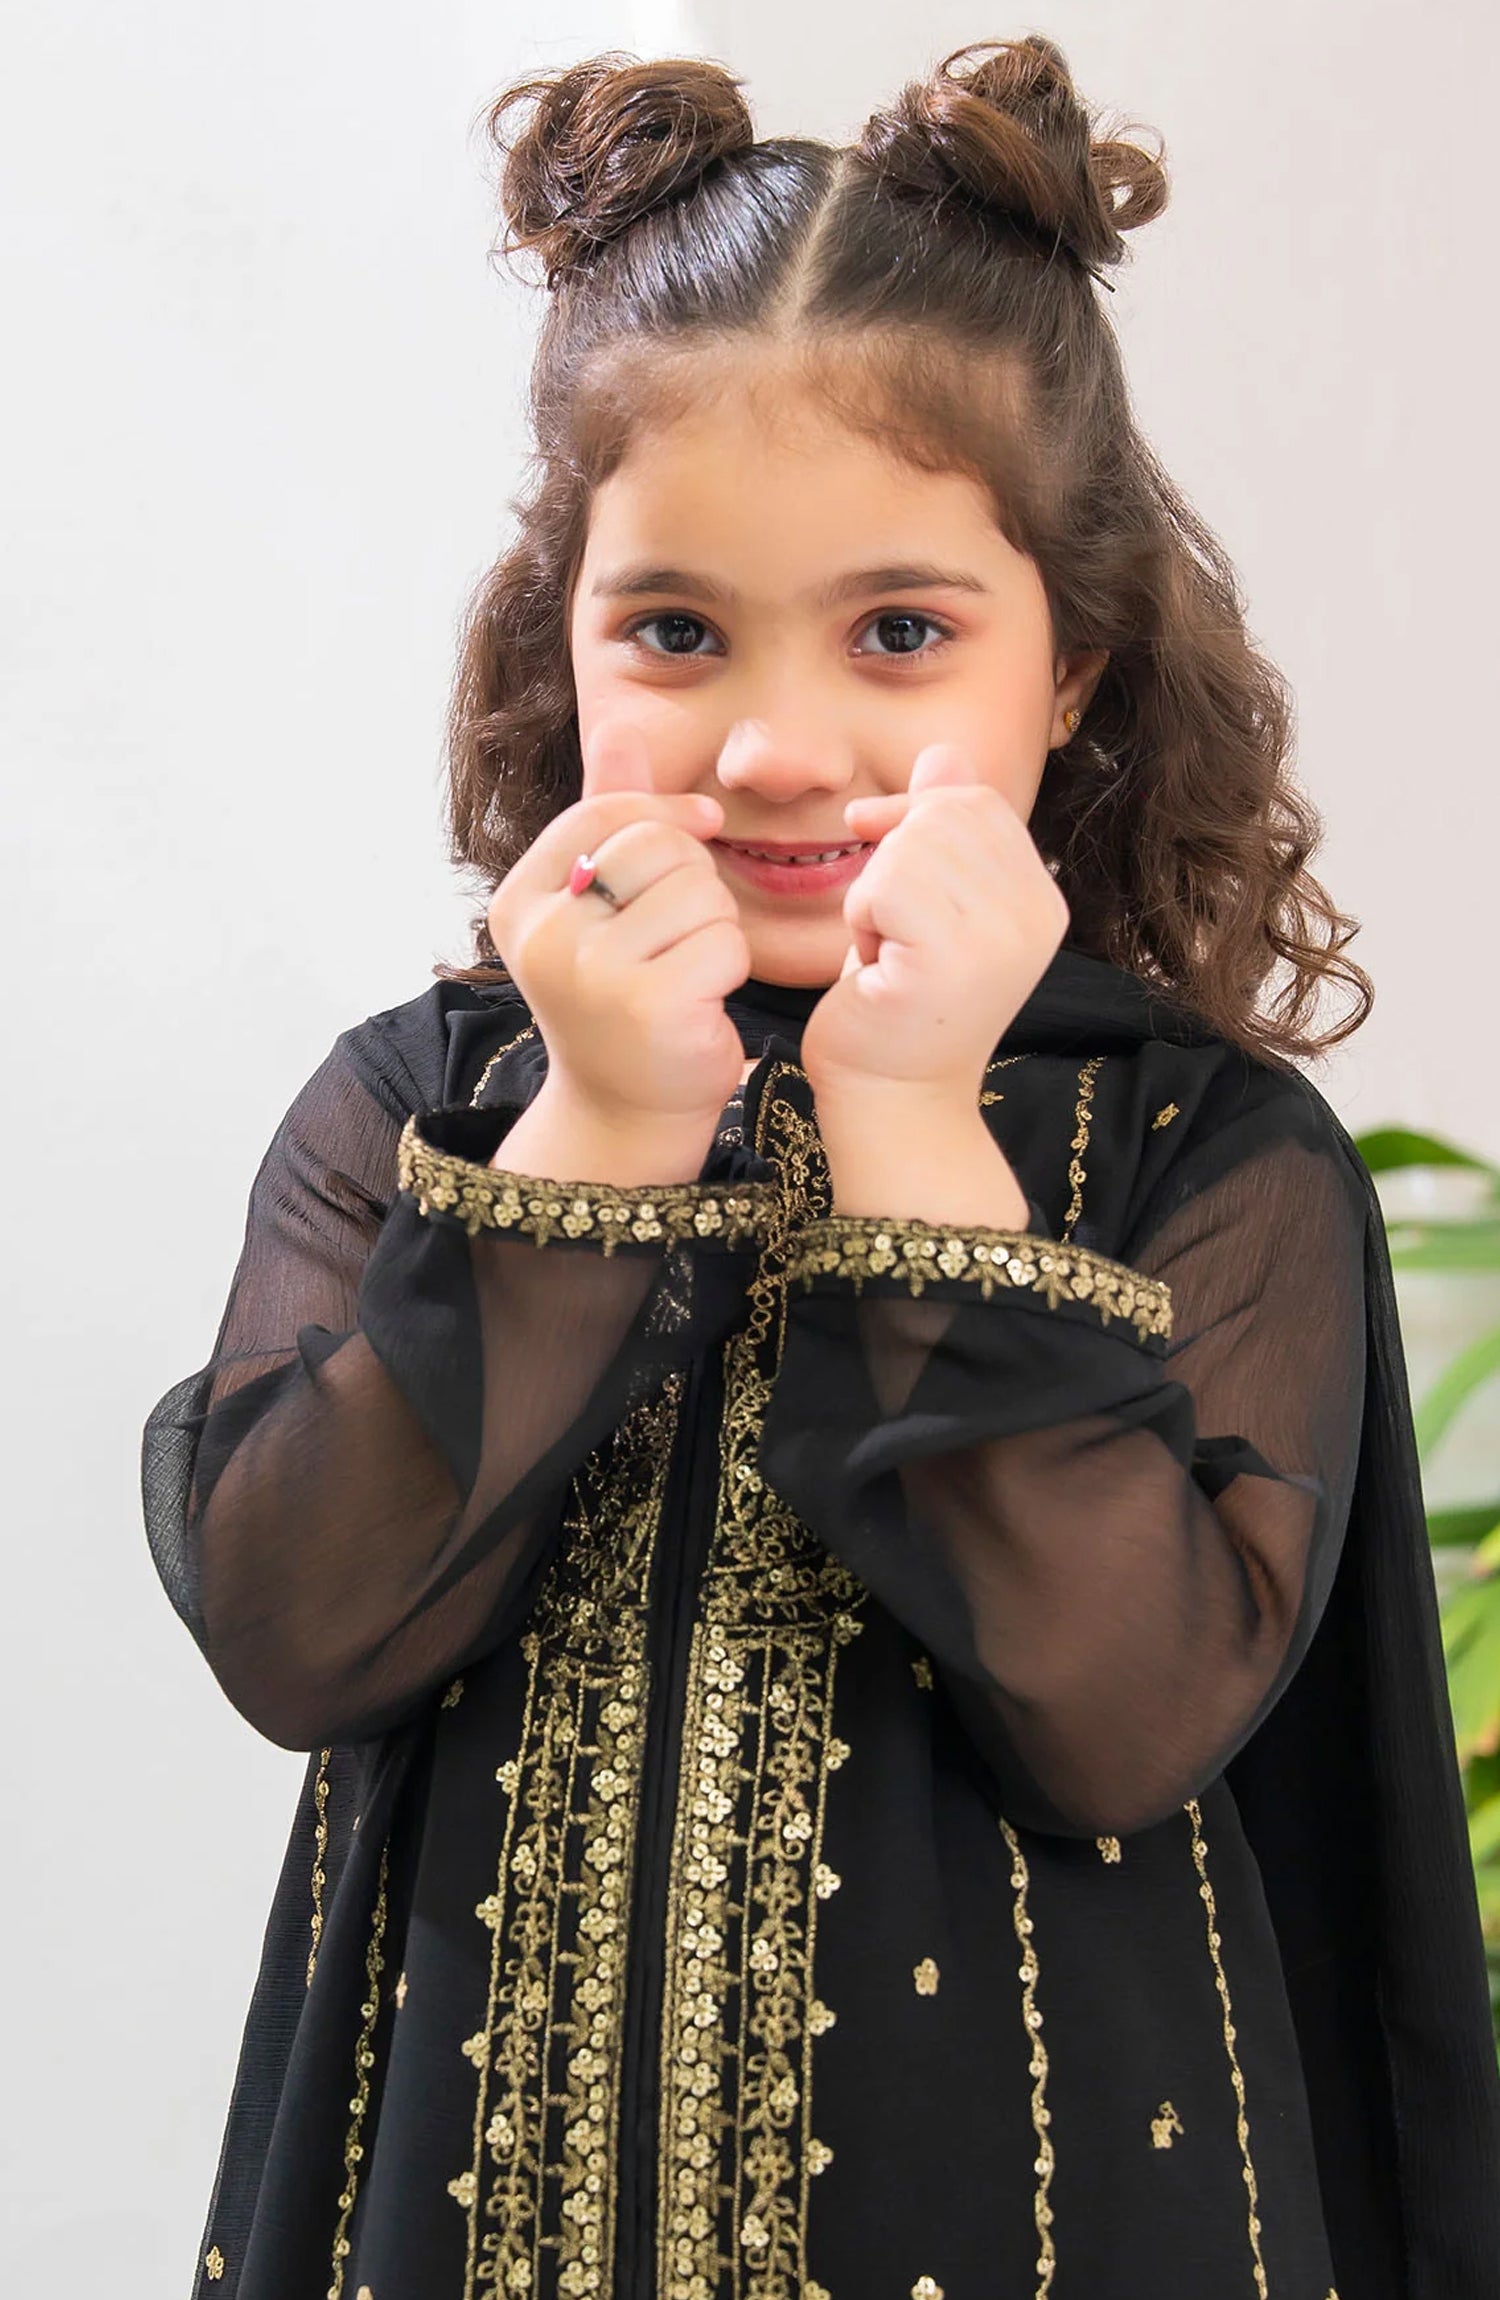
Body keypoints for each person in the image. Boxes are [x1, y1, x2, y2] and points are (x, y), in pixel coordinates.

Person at [141, 35, 1500, 2300]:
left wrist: (909, 1127)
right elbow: (299, 1630)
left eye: (901, 632)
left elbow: (1123, 1719)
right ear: (562, 634)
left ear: (1071, 669)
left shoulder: (1208, 1155)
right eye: (676, 631)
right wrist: (596, 1138)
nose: (779, 746)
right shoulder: (419, 1107)